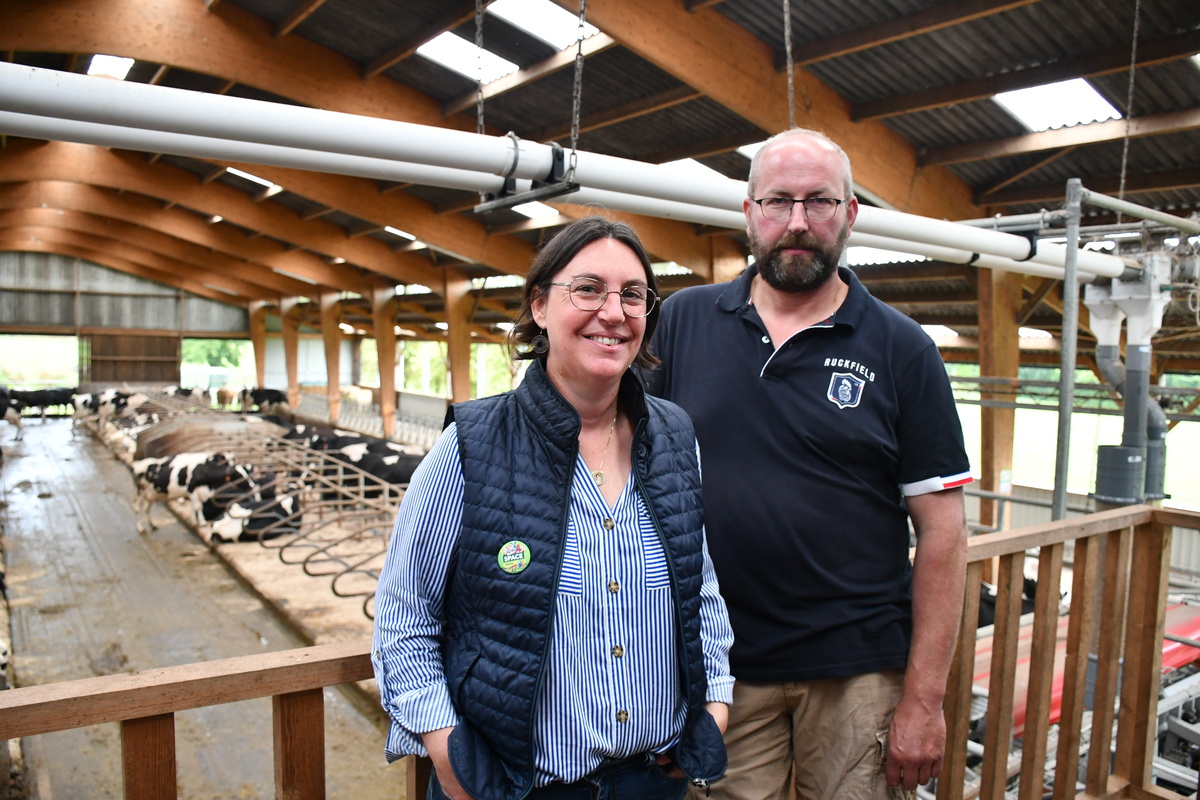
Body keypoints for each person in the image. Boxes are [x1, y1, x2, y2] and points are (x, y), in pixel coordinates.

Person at [645, 129, 972, 800]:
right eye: (778, 201)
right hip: (718, 666)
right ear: (749, 212)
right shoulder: (681, 321)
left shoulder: (903, 349)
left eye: (819, 201)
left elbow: (943, 533)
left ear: (850, 214)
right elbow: (613, 459)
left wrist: (924, 701)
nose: (797, 222)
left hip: (858, 668)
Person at [373, 216, 735, 800]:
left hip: (653, 780)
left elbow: (702, 589)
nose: (613, 312)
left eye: (633, 294)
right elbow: (404, 621)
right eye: (588, 288)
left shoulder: (673, 435)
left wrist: (714, 705)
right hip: (516, 786)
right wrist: (447, 752)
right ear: (540, 306)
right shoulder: (473, 444)